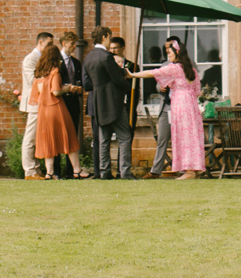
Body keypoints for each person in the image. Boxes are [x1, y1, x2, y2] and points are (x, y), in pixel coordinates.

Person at [131, 36, 206, 178]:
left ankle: (188, 171)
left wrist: (133, 75)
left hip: (180, 104)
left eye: (170, 53)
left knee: (183, 137)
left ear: (177, 53)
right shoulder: (191, 70)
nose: (168, 56)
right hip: (191, 105)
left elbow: (151, 73)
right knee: (191, 136)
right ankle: (193, 169)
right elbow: (197, 92)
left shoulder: (175, 68)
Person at [85, 27, 135, 180]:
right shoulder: (107, 57)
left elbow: (87, 85)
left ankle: (104, 171)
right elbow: (118, 79)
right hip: (115, 103)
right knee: (125, 137)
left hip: (99, 103)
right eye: (109, 37)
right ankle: (125, 172)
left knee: (104, 139)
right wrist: (127, 82)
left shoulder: (88, 58)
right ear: (105, 37)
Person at [28, 42, 74, 179]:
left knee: (48, 141)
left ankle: (49, 172)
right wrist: (67, 88)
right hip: (55, 108)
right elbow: (56, 91)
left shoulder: (40, 72)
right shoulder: (55, 71)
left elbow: (37, 94)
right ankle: (75, 170)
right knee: (65, 137)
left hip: (43, 109)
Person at [19, 31, 54, 178]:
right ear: (40, 42)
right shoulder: (30, 59)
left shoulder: (41, 58)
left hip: (41, 102)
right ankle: (29, 170)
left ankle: (36, 168)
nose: (50, 47)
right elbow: (34, 80)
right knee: (30, 137)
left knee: (38, 137)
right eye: (48, 44)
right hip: (34, 103)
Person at [58, 32, 89, 178]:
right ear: (64, 43)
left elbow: (81, 82)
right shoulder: (55, 61)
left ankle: (70, 172)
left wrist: (79, 89)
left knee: (72, 137)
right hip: (59, 103)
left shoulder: (76, 63)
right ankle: (56, 171)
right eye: (72, 44)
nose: (74, 46)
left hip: (73, 103)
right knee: (58, 136)